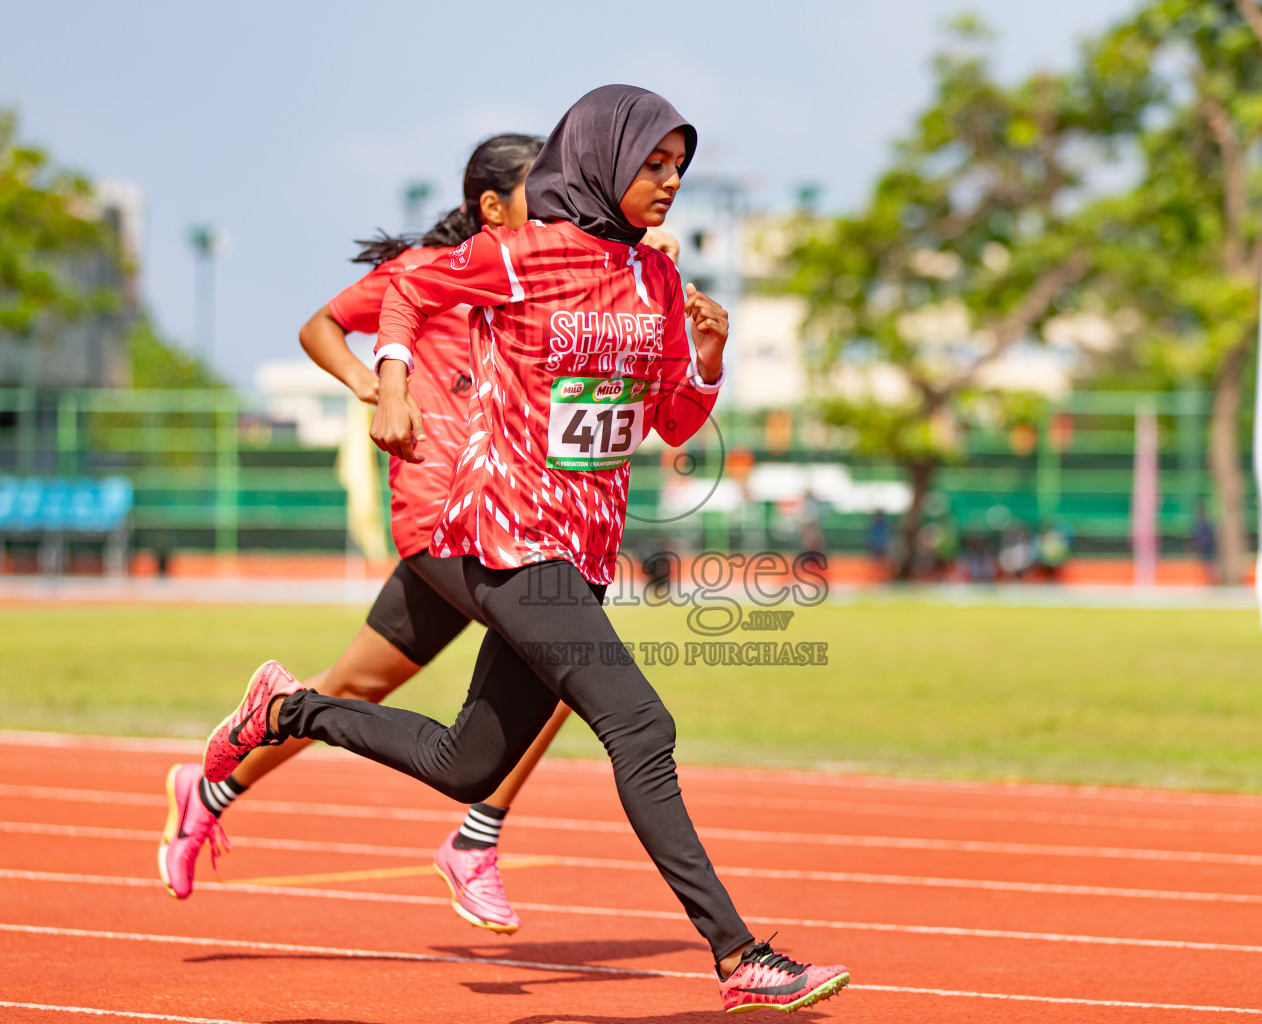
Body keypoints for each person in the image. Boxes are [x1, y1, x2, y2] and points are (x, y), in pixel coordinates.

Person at [201, 85, 849, 1014]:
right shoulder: (526, 255)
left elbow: (669, 424)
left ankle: (286, 710)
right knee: (641, 726)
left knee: (466, 763)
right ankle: (740, 955)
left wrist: (707, 358)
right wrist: (386, 385)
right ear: (598, 157)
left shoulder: (657, 281)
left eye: (678, 168)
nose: (668, 184)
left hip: (582, 549)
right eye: (651, 164)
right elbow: (410, 290)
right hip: (507, 532)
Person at [160, 133, 680, 934]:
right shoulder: (438, 273)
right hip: (445, 516)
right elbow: (324, 326)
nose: (558, 213)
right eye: (538, 200)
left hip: (504, 519)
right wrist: (379, 388)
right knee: (568, 662)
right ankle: (477, 837)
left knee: (355, 687)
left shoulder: (554, 272)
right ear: (493, 208)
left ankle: (213, 787)